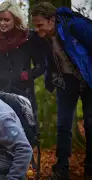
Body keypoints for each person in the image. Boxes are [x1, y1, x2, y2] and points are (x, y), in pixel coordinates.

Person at [31, 2, 92, 180]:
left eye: (40, 24)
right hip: (67, 82)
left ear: (52, 20)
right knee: (63, 125)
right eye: (35, 25)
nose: (37, 29)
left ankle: (90, 168)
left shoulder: (76, 27)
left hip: (89, 81)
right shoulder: (42, 37)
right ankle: (61, 169)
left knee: (90, 123)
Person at [0, 0, 45, 116]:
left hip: (23, 94)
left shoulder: (29, 37)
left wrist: (24, 75)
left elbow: (41, 66)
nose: (2, 23)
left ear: (16, 19)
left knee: (26, 131)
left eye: (6, 20)